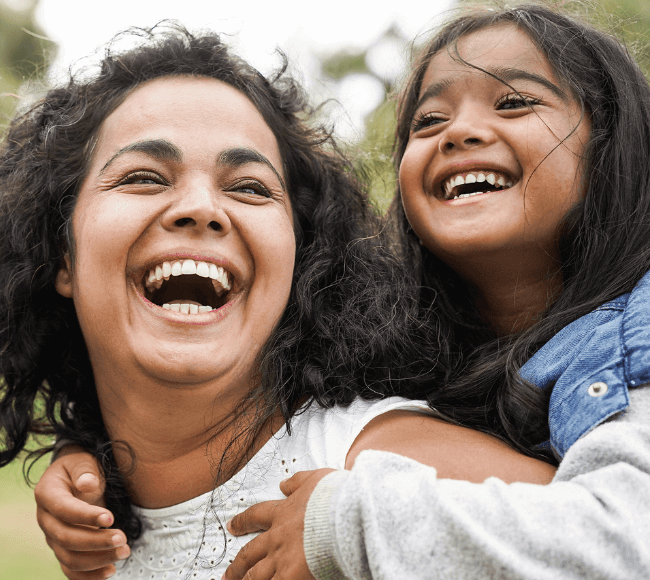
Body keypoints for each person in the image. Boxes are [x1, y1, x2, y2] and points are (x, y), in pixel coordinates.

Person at [0, 25, 552, 580]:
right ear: (62, 256)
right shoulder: (102, 528)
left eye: (252, 188)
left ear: (300, 259)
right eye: (144, 176)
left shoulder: (377, 467)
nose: (201, 208)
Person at [36, 5, 650, 580]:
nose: (460, 132)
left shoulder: (630, 341)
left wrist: (346, 523)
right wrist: (94, 454)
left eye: (249, 187)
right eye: (428, 121)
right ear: (59, 253)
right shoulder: (434, 354)